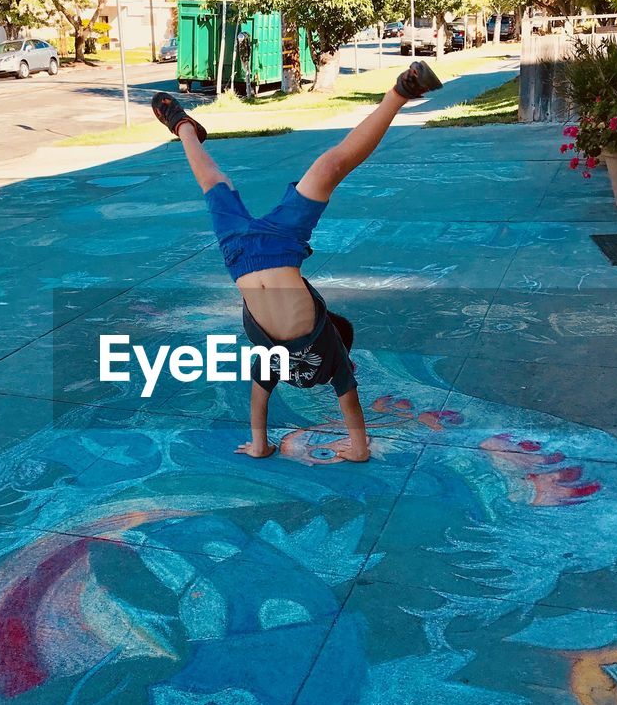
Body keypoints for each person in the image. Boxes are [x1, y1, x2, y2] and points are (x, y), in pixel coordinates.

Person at [150, 61, 442, 462]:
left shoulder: (273, 363)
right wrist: (358, 449)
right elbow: (350, 401)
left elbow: (258, 403)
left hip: (240, 256)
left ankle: (184, 126)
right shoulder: (333, 356)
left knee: (213, 184)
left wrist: (259, 445)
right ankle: (402, 92)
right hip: (282, 248)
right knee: (329, 167)